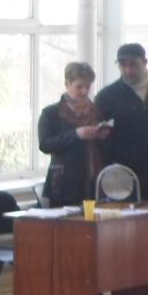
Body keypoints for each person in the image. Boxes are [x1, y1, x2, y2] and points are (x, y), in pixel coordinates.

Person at [95, 42, 148, 199]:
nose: (127, 70)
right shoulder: (107, 95)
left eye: (133, 65)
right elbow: (98, 136)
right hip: (122, 173)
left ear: (145, 62)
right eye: (122, 66)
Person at [37, 61, 111, 207]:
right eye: (79, 86)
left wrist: (104, 136)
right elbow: (45, 145)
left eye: (88, 86)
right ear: (67, 84)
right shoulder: (51, 113)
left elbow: (107, 149)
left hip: (97, 184)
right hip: (65, 186)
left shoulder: (97, 112)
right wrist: (76, 135)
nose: (84, 91)